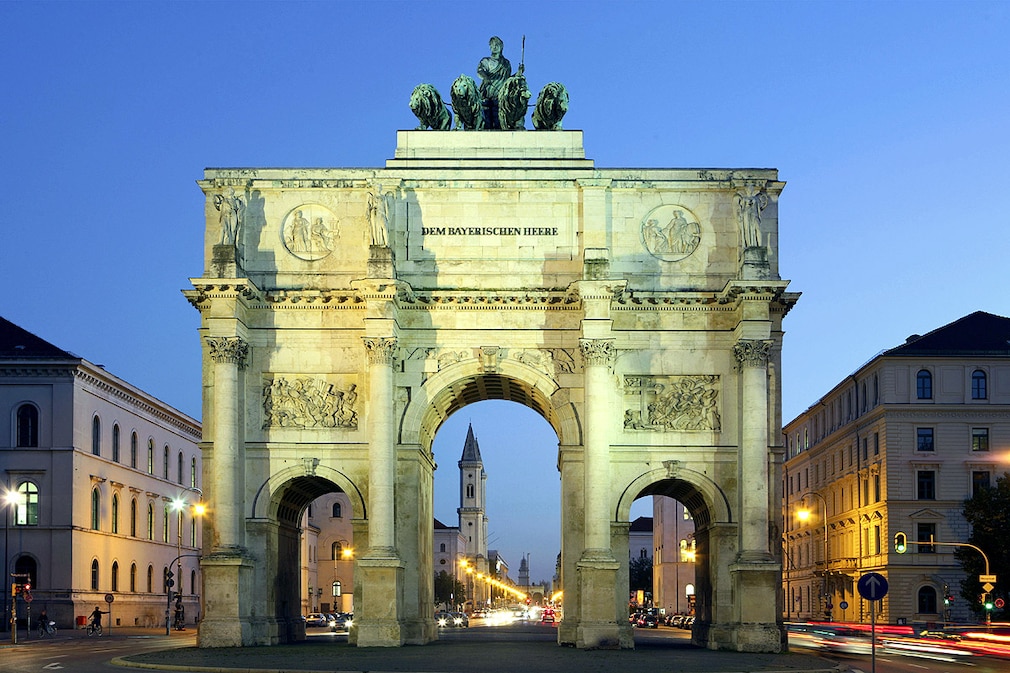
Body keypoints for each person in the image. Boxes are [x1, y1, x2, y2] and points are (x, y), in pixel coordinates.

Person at [477, 36, 519, 129]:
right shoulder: (486, 61)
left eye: (497, 45)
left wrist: (518, 73)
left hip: (500, 97)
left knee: (498, 122)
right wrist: (485, 77)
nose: (495, 47)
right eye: (492, 45)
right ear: (490, 47)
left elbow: (508, 80)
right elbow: (479, 71)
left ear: (501, 47)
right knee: (486, 122)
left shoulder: (506, 63)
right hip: (487, 95)